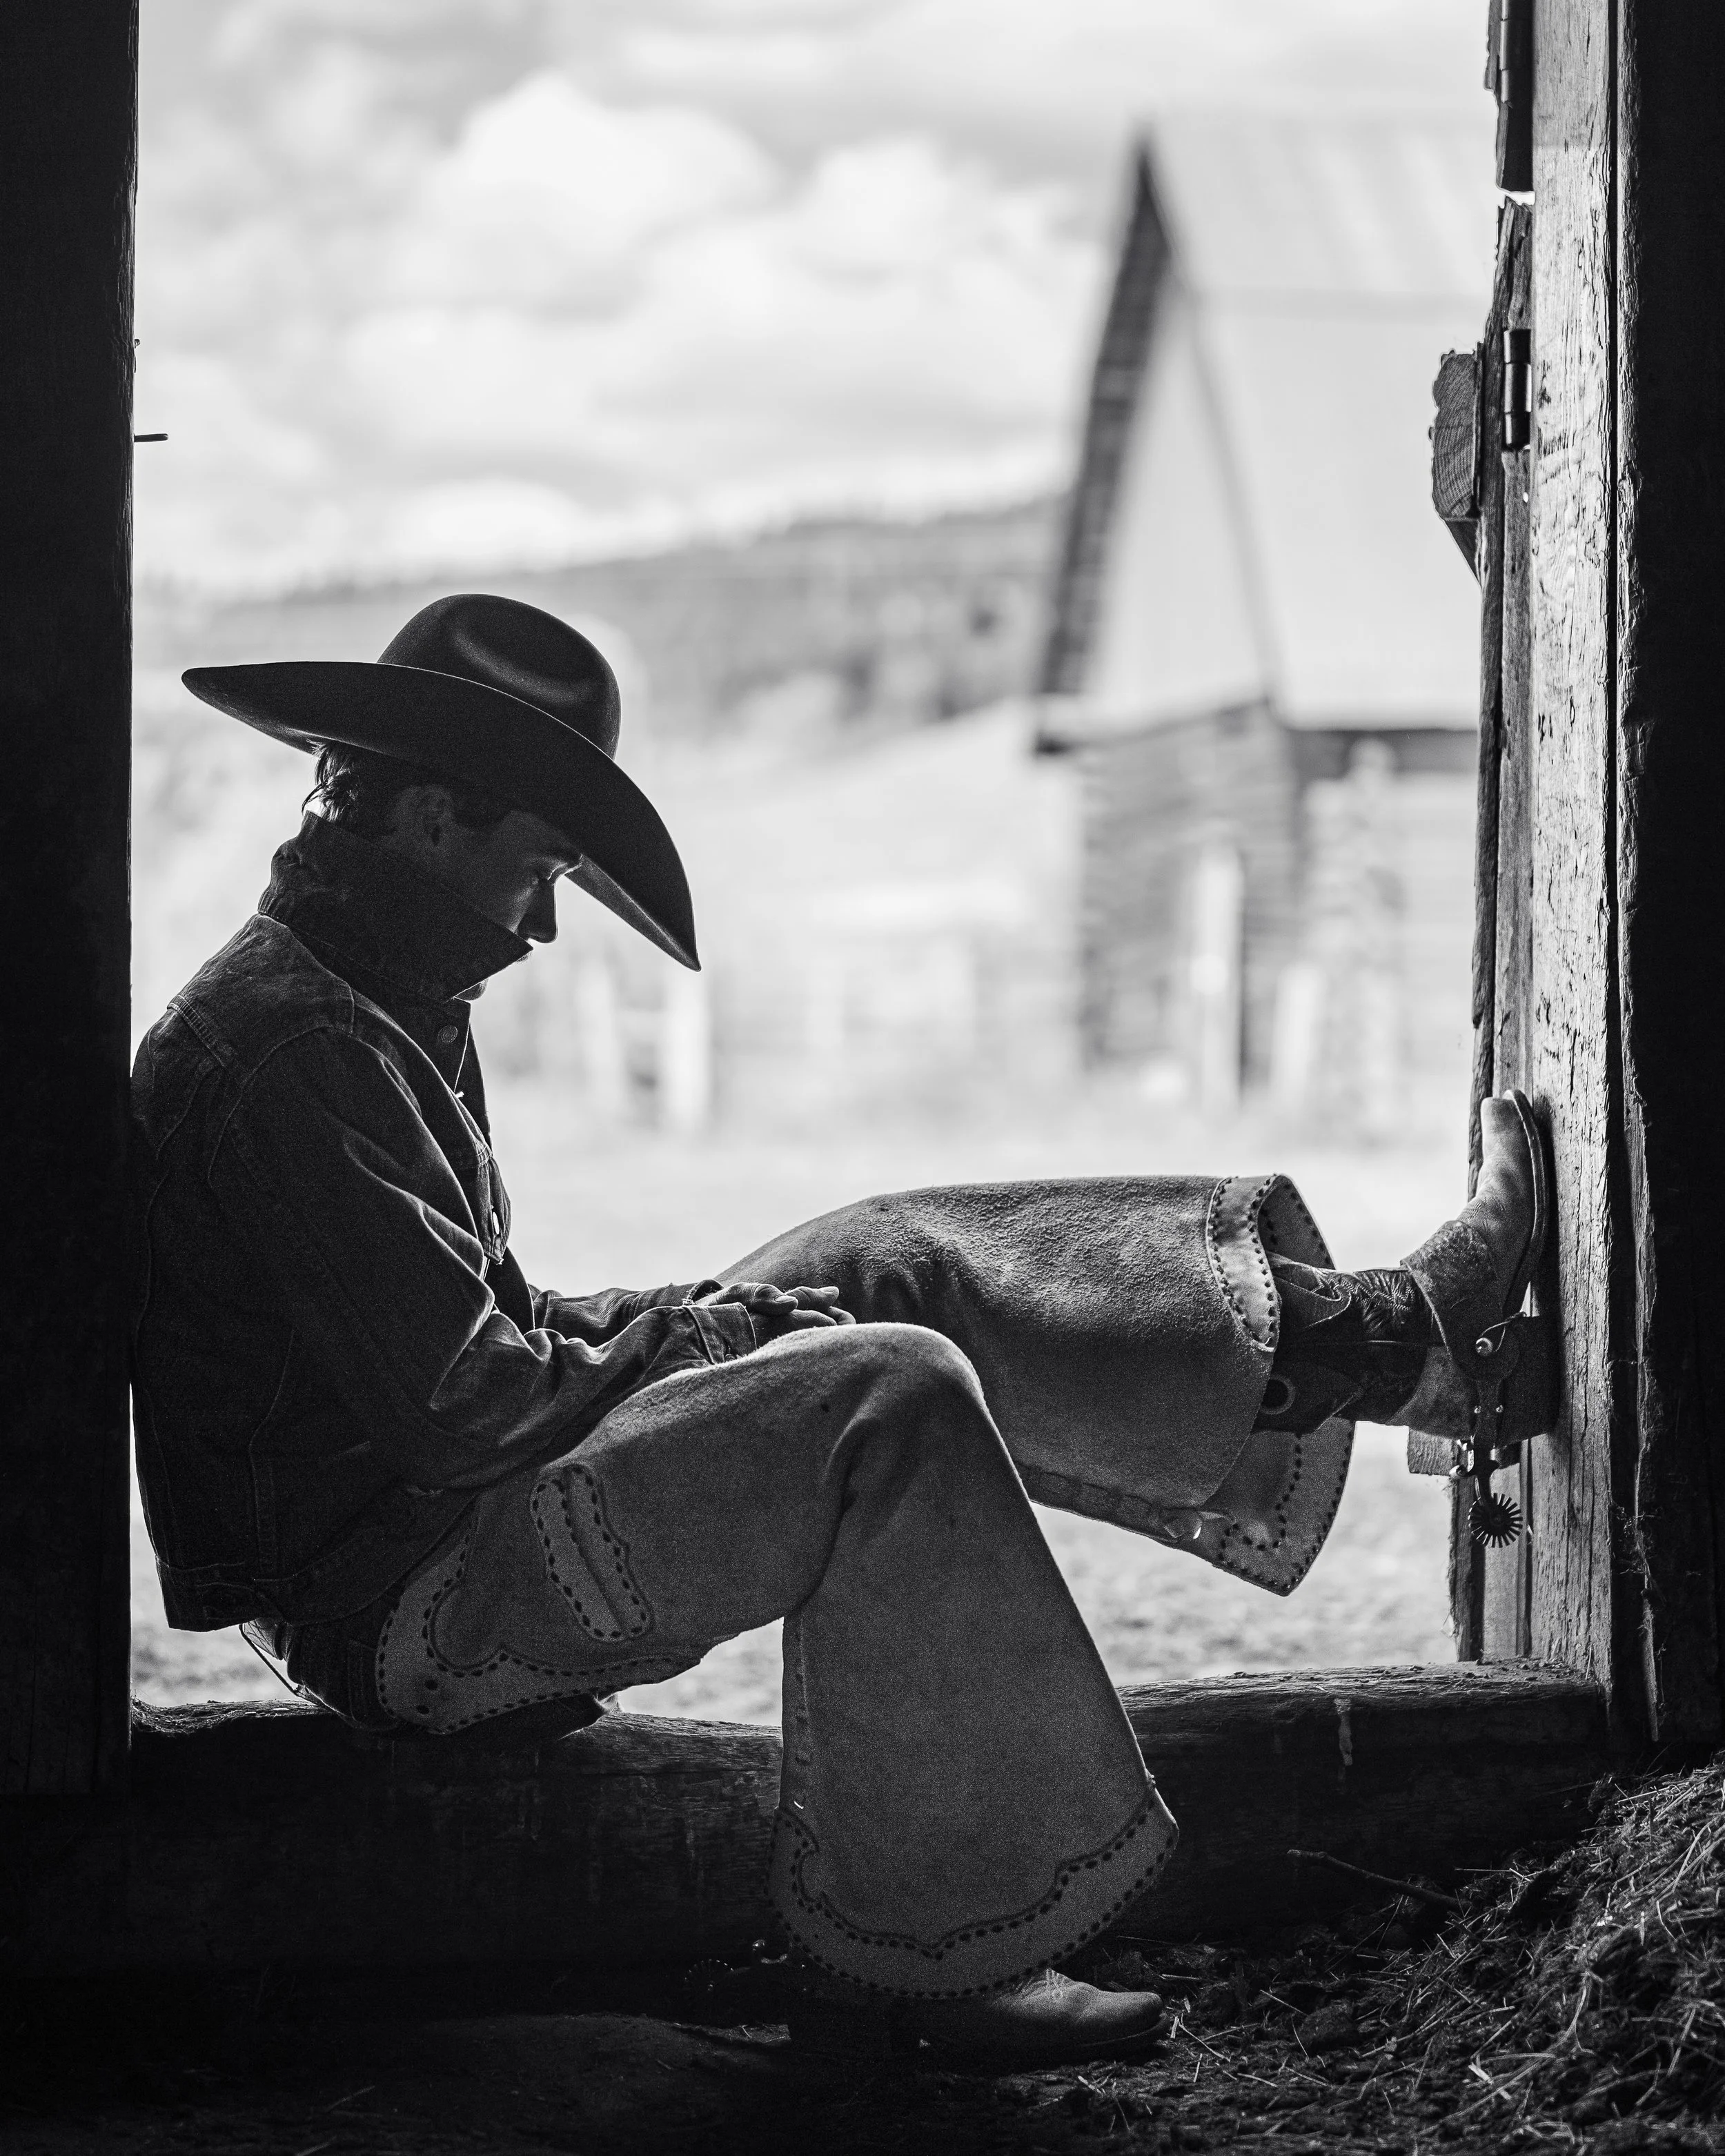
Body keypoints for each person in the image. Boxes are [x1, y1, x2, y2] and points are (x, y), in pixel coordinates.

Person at [130, 593, 1554, 2068]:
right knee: (885, 1387)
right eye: (539, 870)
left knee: (884, 1265)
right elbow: (469, 1406)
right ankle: (927, 1957)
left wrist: (710, 1322)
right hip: (408, 1598)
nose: (545, 923)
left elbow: (481, 1336)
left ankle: (1392, 1348)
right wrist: (706, 1340)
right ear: (432, 816)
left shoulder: (364, 995)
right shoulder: (299, 1044)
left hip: (443, 1512)